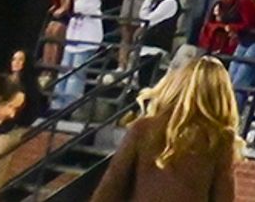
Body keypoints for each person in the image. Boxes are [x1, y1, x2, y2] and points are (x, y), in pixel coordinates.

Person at [89, 58, 236, 202]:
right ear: (221, 96)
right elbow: (223, 196)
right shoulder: (218, 139)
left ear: (175, 86)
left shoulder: (144, 128)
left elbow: (113, 183)